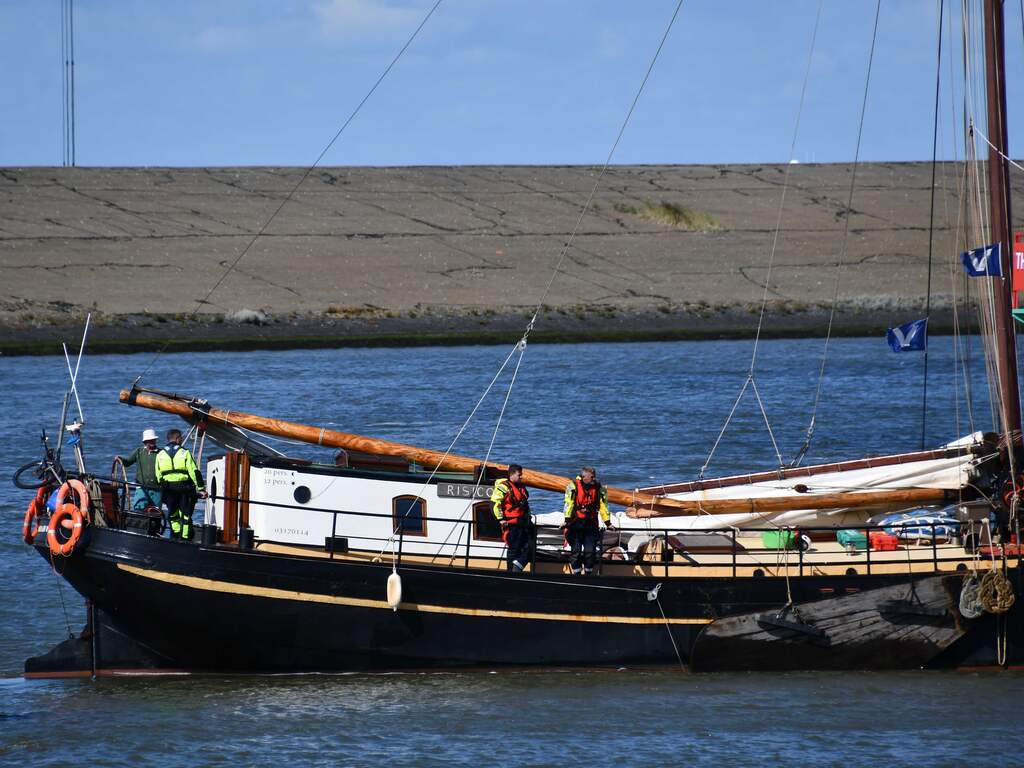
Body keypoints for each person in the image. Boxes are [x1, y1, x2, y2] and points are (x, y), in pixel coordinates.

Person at [156, 428, 206, 540]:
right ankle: (185, 538)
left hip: (168, 489)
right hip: (184, 489)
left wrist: (163, 487)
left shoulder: (160, 454)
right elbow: (194, 472)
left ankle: (175, 535)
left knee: (173, 514)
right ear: (178, 439)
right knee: (185, 515)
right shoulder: (185, 452)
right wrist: (201, 488)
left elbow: (158, 475)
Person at [562, 466, 614, 575]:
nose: (594, 478)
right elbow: (568, 504)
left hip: (591, 524)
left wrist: (608, 523)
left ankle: (588, 573)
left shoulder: (599, 488)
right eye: (592, 476)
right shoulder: (573, 486)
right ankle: (576, 574)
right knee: (575, 552)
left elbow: (603, 506)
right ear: (584, 477)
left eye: (594, 476)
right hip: (575, 523)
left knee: (590, 552)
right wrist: (566, 520)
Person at [490, 464, 533, 572]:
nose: (521, 477)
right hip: (512, 523)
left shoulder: (521, 487)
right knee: (514, 549)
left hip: (524, 522)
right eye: (519, 475)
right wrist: (501, 519)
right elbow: (495, 503)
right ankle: (511, 573)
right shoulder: (503, 487)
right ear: (512, 474)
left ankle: (517, 566)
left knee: (531, 546)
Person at [116, 428, 162, 511]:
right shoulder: (139, 452)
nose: (152, 442)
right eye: (150, 440)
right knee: (139, 508)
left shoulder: (161, 453)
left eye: (153, 440)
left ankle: (156, 523)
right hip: (141, 487)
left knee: (156, 512)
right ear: (145, 442)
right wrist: (120, 459)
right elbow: (128, 462)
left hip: (156, 488)